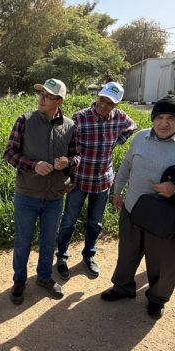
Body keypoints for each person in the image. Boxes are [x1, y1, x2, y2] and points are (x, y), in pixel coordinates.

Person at [100, 95, 175, 320]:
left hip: (167, 215)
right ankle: (123, 287)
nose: (164, 123)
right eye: (159, 117)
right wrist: (117, 191)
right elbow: (127, 165)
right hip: (133, 206)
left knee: (164, 259)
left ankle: (157, 298)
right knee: (127, 251)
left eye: (171, 118)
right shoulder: (140, 138)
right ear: (153, 119)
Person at [4, 78, 79, 304]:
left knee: (48, 241)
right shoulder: (25, 121)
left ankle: (45, 277)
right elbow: (9, 153)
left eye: (47, 96)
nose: (41, 99)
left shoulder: (70, 126)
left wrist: (68, 163)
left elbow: (77, 156)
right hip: (27, 194)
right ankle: (19, 280)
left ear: (59, 101)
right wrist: (33, 165)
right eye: (41, 94)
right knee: (23, 241)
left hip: (55, 196)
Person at [55, 81, 136, 280]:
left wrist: (117, 141)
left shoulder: (120, 118)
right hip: (79, 179)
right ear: (97, 96)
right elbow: (68, 148)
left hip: (102, 180)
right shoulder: (80, 118)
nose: (103, 105)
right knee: (68, 221)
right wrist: (67, 176)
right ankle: (62, 257)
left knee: (95, 223)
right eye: (102, 99)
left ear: (116, 105)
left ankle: (88, 255)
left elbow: (131, 127)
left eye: (109, 103)